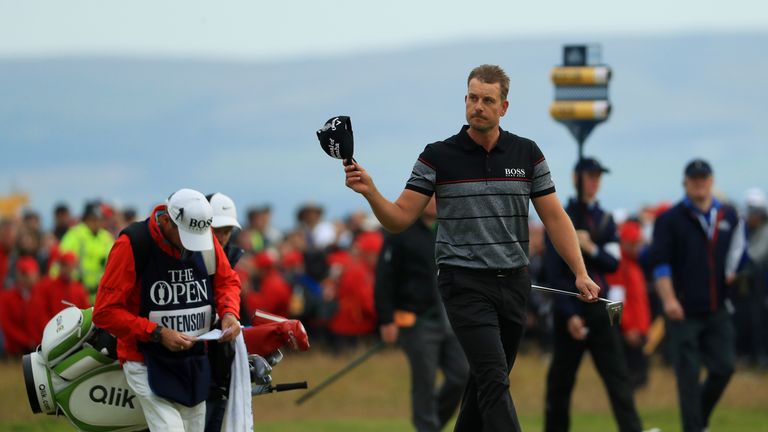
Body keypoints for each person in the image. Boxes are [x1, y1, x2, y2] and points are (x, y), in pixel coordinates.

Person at [341, 64, 600, 432]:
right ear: (465, 100)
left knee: (483, 383)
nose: (478, 106)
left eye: (488, 100)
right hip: (463, 284)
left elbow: (556, 219)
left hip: (514, 283)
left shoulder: (527, 154)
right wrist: (370, 191)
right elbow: (399, 218)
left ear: (504, 107)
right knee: (494, 380)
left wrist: (580, 272)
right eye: (473, 98)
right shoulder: (438, 156)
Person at [93, 188, 242, 431]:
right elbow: (105, 312)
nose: (191, 245)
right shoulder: (133, 244)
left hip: (192, 359)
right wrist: (158, 333)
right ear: (165, 221)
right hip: (144, 359)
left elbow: (227, 281)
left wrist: (229, 313)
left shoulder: (202, 234)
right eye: (185, 235)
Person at [543, 158, 644, 432]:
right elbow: (554, 272)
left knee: (618, 378)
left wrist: (589, 247)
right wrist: (569, 314)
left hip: (600, 308)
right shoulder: (562, 217)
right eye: (590, 176)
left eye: (598, 176)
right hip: (570, 310)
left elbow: (612, 263)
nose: (595, 182)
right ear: (577, 178)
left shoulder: (605, 219)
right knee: (560, 383)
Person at [649, 159, 746, 432]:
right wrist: (668, 299)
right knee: (688, 379)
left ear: (712, 181)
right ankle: (694, 428)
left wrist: (736, 274)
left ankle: (697, 422)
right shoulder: (670, 219)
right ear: (685, 183)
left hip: (718, 308)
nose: (699, 183)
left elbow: (740, 255)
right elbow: (660, 263)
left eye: (704, 178)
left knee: (724, 368)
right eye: (694, 178)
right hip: (683, 311)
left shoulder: (728, 216)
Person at [375, 197, 469, 432]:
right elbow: (384, 279)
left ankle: (431, 426)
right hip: (416, 320)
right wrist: (386, 319)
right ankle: (427, 427)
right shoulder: (400, 232)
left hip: (449, 317)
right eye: (431, 196)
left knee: (462, 374)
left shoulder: (449, 231)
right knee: (424, 382)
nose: (436, 201)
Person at [605, 220, 652, 390]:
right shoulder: (619, 267)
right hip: (628, 334)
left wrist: (645, 327)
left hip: (639, 331)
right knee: (630, 379)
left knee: (641, 378)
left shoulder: (635, 266)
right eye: (634, 243)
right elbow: (614, 303)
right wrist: (624, 328)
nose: (638, 247)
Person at [56, 201, 115, 302]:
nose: (97, 222)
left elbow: (114, 263)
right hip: (77, 293)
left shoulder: (106, 237)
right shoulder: (74, 235)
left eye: (99, 219)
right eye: (93, 219)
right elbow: (61, 262)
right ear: (86, 219)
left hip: (100, 294)